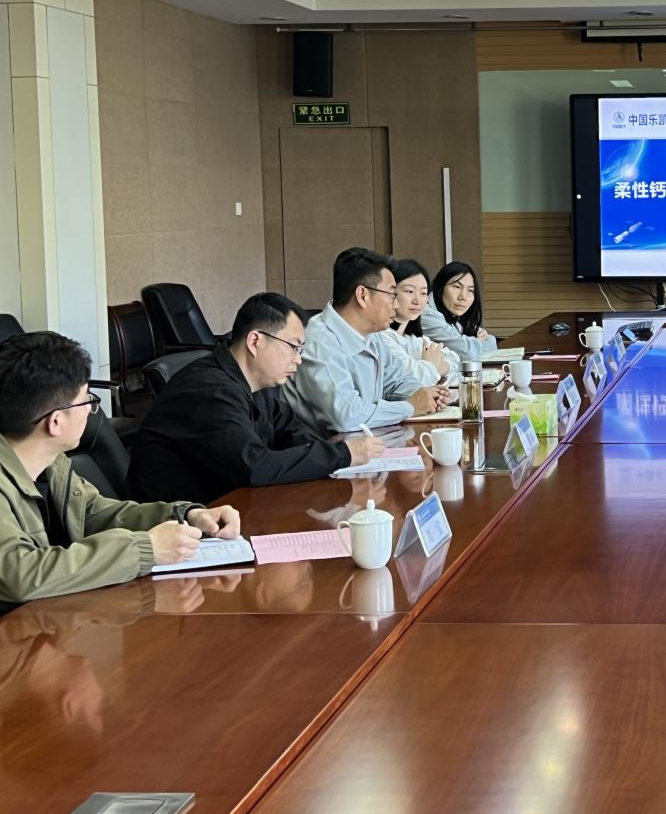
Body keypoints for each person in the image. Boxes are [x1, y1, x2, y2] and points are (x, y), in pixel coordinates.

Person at [0, 332, 241, 607]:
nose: (91, 410)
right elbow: (20, 575)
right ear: (55, 422)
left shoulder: (53, 464)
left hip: (58, 617)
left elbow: (96, 514)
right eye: (86, 400)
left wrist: (186, 515)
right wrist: (144, 549)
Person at [127, 292, 386, 504]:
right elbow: (254, 466)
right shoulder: (209, 391)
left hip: (225, 507)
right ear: (255, 341)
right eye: (293, 347)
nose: (298, 359)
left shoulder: (258, 384)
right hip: (174, 524)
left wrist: (334, 455)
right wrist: (342, 455)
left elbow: (291, 432)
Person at [283, 247, 453, 435]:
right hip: (325, 447)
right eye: (391, 295)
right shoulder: (320, 340)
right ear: (362, 295)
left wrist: (427, 395)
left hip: (366, 442)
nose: (396, 304)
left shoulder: (372, 334)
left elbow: (396, 380)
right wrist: (410, 406)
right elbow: (346, 416)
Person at [378, 259, 458, 387]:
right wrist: (433, 365)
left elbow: (455, 360)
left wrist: (433, 367)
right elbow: (410, 379)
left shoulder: (415, 339)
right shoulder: (380, 337)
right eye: (409, 291)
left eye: (423, 293)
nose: (418, 300)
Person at [421, 260, 499, 362]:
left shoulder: (456, 319)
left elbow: (492, 345)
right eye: (457, 287)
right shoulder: (425, 315)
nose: (463, 297)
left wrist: (475, 343)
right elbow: (468, 354)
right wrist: (477, 341)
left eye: (470, 290)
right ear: (440, 287)